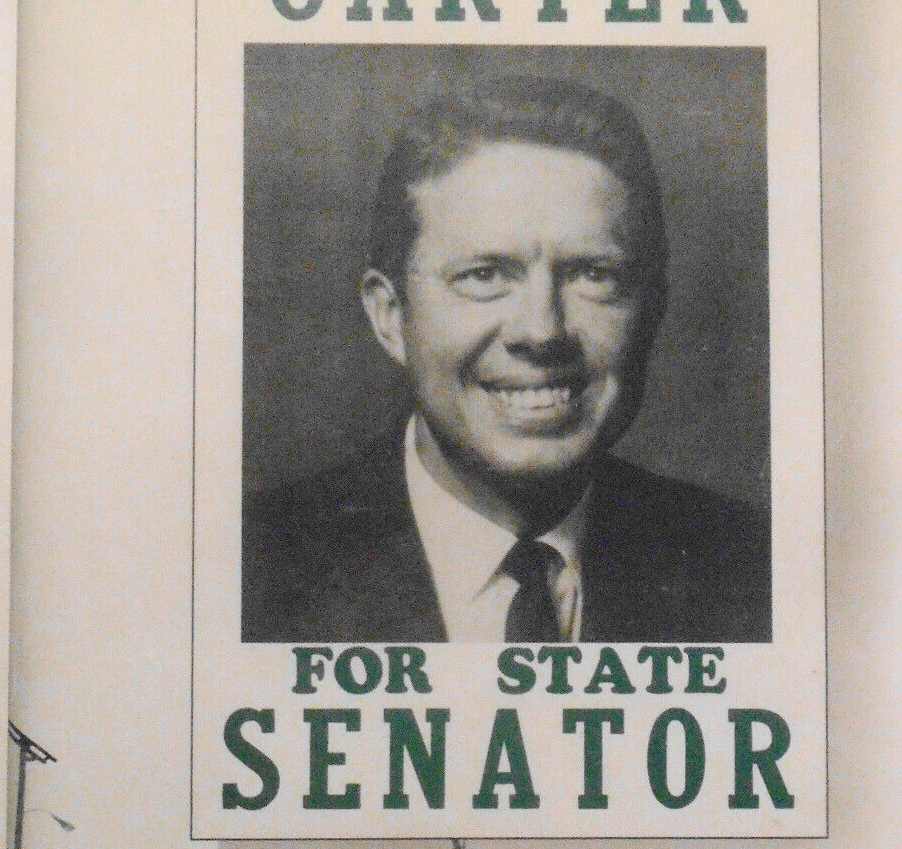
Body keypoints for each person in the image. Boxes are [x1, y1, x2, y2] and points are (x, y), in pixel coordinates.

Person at [241, 73, 770, 643]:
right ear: (390, 316)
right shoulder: (249, 573)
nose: (542, 331)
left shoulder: (755, 569)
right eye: (485, 276)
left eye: (592, 275)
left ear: (653, 309)